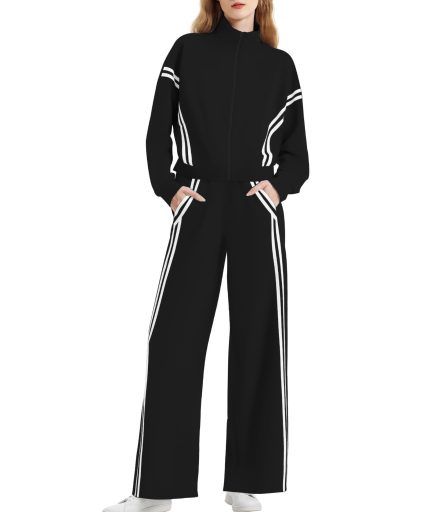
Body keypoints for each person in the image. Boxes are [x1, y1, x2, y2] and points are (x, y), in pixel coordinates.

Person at [103, 0, 309, 510]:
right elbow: (157, 131)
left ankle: (245, 482)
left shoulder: (279, 66)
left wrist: (278, 188)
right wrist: (169, 187)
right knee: (173, 339)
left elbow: (298, 154)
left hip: (256, 209)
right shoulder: (186, 52)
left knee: (259, 340)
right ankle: (155, 492)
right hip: (197, 203)